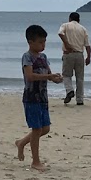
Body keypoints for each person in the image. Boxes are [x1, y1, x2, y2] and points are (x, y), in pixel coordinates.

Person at [14, 25, 62, 171]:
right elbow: (30, 76)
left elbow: (48, 74)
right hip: (31, 97)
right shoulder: (27, 57)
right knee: (36, 129)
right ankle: (35, 161)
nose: (43, 45)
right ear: (30, 42)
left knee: (45, 128)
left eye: (44, 42)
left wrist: (54, 78)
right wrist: (48, 76)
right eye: (40, 42)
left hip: (42, 97)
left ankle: (22, 142)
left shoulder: (44, 57)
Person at [57, 12, 91, 106]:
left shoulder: (65, 25)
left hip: (68, 54)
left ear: (70, 18)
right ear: (79, 20)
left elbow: (60, 33)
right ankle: (79, 99)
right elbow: (87, 45)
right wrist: (88, 56)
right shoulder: (83, 29)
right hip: (80, 54)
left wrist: (67, 44)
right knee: (80, 78)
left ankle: (69, 90)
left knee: (66, 75)